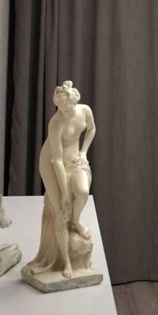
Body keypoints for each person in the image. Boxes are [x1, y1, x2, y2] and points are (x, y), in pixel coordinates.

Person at [26, 81, 96, 279]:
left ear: (75, 101)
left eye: (68, 107)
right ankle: (66, 262)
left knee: (82, 191)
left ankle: (76, 220)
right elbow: (56, 159)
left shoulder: (85, 111)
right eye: (61, 109)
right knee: (60, 211)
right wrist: (64, 192)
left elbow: (91, 129)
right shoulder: (56, 123)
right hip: (52, 164)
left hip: (75, 160)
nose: (66, 112)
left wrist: (84, 151)